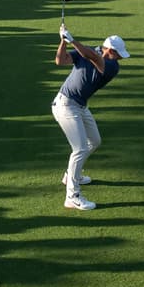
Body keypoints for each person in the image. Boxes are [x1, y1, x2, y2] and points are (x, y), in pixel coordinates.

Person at [50, 29, 128, 213]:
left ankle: (71, 175)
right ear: (109, 50)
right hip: (65, 105)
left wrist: (72, 40)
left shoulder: (111, 66)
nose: (120, 58)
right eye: (118, 54)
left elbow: (93, 57)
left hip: (80, 106)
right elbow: (60, 60)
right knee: (80, 149)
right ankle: (72, 196)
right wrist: (63, 42)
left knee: (94, 141)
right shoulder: (89, 52)